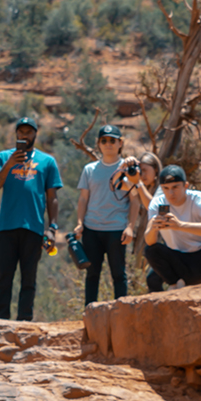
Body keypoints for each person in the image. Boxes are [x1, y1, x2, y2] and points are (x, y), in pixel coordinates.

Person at [0, 117, 62, 321]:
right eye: (21, 132)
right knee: (4, 278)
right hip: (6, 227)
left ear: (35, 134)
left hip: (34, 228)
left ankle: (24, 321)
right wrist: (10, 163)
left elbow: (52, 197)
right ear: (16, 134)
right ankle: (0, 320)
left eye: (28, 132)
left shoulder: (47, 162)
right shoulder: (3, 157)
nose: (24, 135)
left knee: (29, 279)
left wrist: (52, 228)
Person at [74, 125, 141, 305]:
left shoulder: (128, 169)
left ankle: (121, 315)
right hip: (91, 230)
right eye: (104, 140)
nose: (108, 144)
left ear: (120, 143)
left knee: (118, 274)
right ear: (98, 144)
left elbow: (135, 201)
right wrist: (80, 223)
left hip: (117, 230)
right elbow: (83, 199)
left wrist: (130, 227)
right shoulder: (89, 169)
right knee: (92, 274)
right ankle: (89, 314)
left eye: (113, 140)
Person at [143, 164, 201, 290]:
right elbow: (149, 241)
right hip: (179, 262)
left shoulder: (199, 199)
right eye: (166, 188)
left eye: (175, 187)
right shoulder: (157, 204)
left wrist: (180, 225)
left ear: (186, 186)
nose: (171, 193)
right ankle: (175, 283)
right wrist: (153, 227)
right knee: (151, 251)